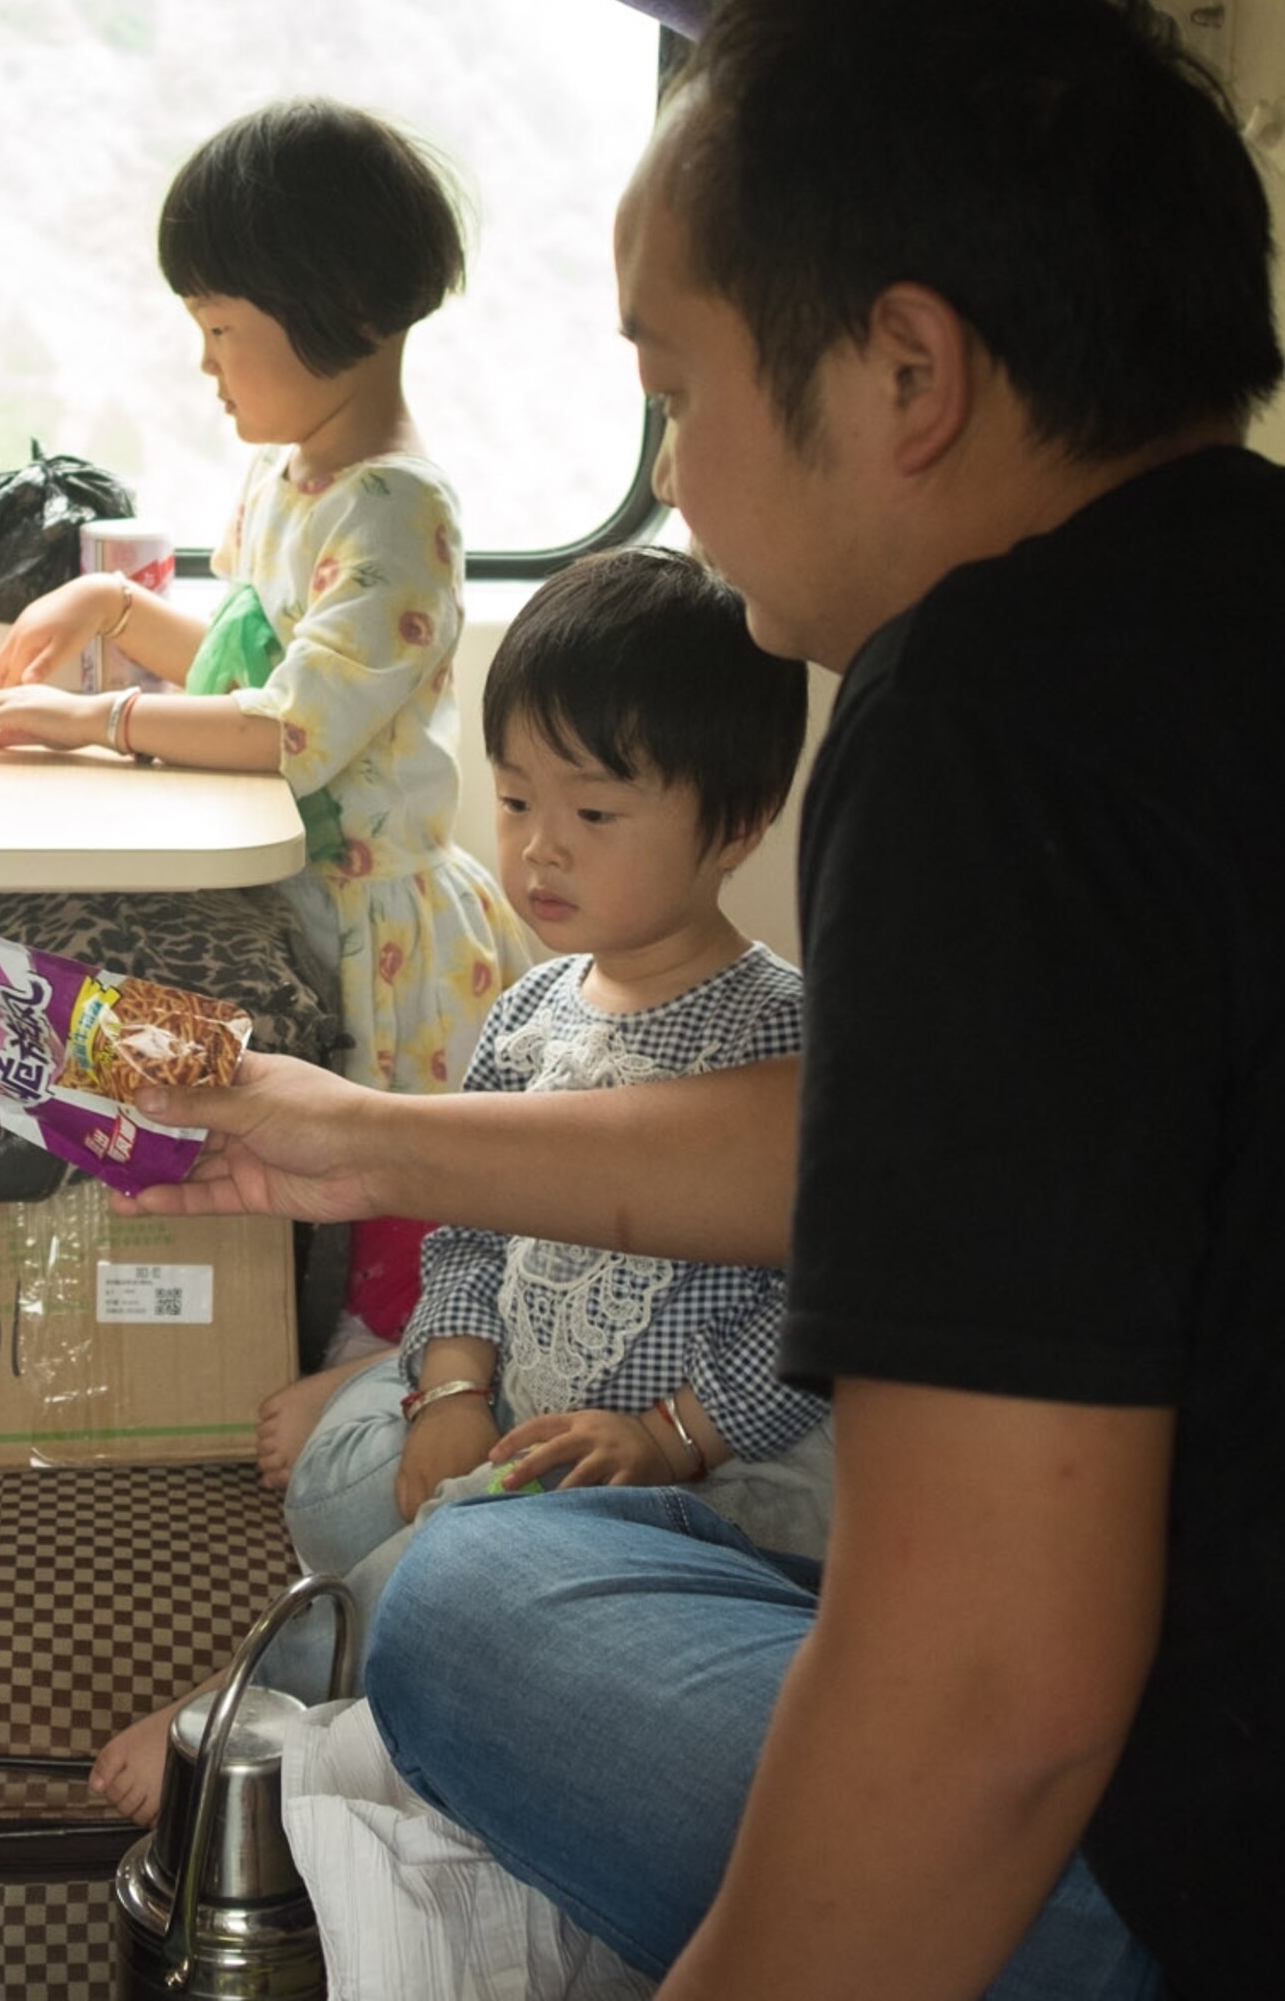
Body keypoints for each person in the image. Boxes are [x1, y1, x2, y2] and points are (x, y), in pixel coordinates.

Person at [120, 0, 1285, 1995]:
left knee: (469, 1607)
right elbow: (917, 1139)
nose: (672, 475)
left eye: (675, 389)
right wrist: (373, 1142)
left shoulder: (993, 712)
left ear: (906, 371)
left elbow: (996, 1700)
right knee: (540, 1510)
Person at [91, 543, 820, 1820]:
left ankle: (263, 1696)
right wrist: (453, 1387)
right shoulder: (532, 1009)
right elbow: (471, 1242)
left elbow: (816, 1308)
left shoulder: (776, 1038)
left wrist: (669, 1435)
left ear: (740, 822)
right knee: (344, 1477)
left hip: (693, 1460)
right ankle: (406, 1462)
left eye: (594, 816)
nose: (540, 852)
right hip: (521, 1400)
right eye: (517, 799)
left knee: (470, 1537)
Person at [0, 96, 526, 1365]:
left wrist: (98, 716)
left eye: (221, 331)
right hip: (288, 889)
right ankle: (151, 1270)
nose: (205, 367)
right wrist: (112, 603)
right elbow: (246, 656)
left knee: (394, 1215)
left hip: (372, 924)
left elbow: (287, 731)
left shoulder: (393, 513)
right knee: (20, 994)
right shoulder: (295, 476)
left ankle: (371, 1378)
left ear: (346, 316)